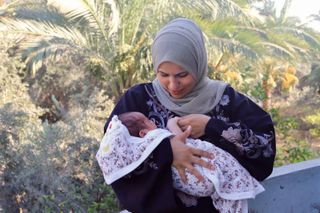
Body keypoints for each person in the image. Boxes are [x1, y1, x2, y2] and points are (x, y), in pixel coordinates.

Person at [100, 18, 276, 213]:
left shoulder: (226, 100)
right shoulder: (138, 100)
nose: (173, 85)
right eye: (163, 74)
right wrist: (166, 150)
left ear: (198, 64)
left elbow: (264, 148)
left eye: (182, 75)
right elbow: (112, 154)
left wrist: (212, 126)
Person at [97, 111, 265, 213]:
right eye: (149, 121)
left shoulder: (149, 153)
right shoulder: (157, 138)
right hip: (202, 177)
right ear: (143, 133)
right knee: (225, 191)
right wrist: (173, 124)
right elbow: (182, 137)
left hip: (197, 185)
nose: (154, 122)